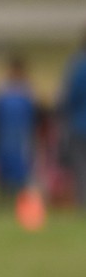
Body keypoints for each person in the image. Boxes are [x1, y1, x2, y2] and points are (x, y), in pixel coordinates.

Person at [0, 53, 40, 206]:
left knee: (21, 179)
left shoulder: (28, 94)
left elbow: (34, 124)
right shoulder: (1, 93)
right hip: (3, 145)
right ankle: (2, 206)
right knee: (1, 180)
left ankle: (21, 206)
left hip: (21, 144)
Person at [59, 27, 86, 208]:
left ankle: (83, 203)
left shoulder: (77, 64)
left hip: (79, 124)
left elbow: (68, 96)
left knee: (81, 168)